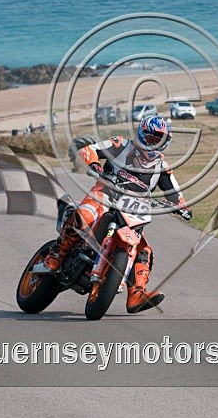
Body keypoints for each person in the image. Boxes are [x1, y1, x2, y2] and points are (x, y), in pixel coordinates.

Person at [44, 116, 192, 313]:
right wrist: (96, 165)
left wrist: (182, 207)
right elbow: (89, 150)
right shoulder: (121, 144)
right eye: (154, 138)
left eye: (161, 140)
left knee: (144, 250)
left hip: (133, 210)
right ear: (142, 134)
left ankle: (136, 293)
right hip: (104, 195)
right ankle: (57, 253)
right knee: (85, 216)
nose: (157, 144)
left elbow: (176, 195)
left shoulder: (162, 168)